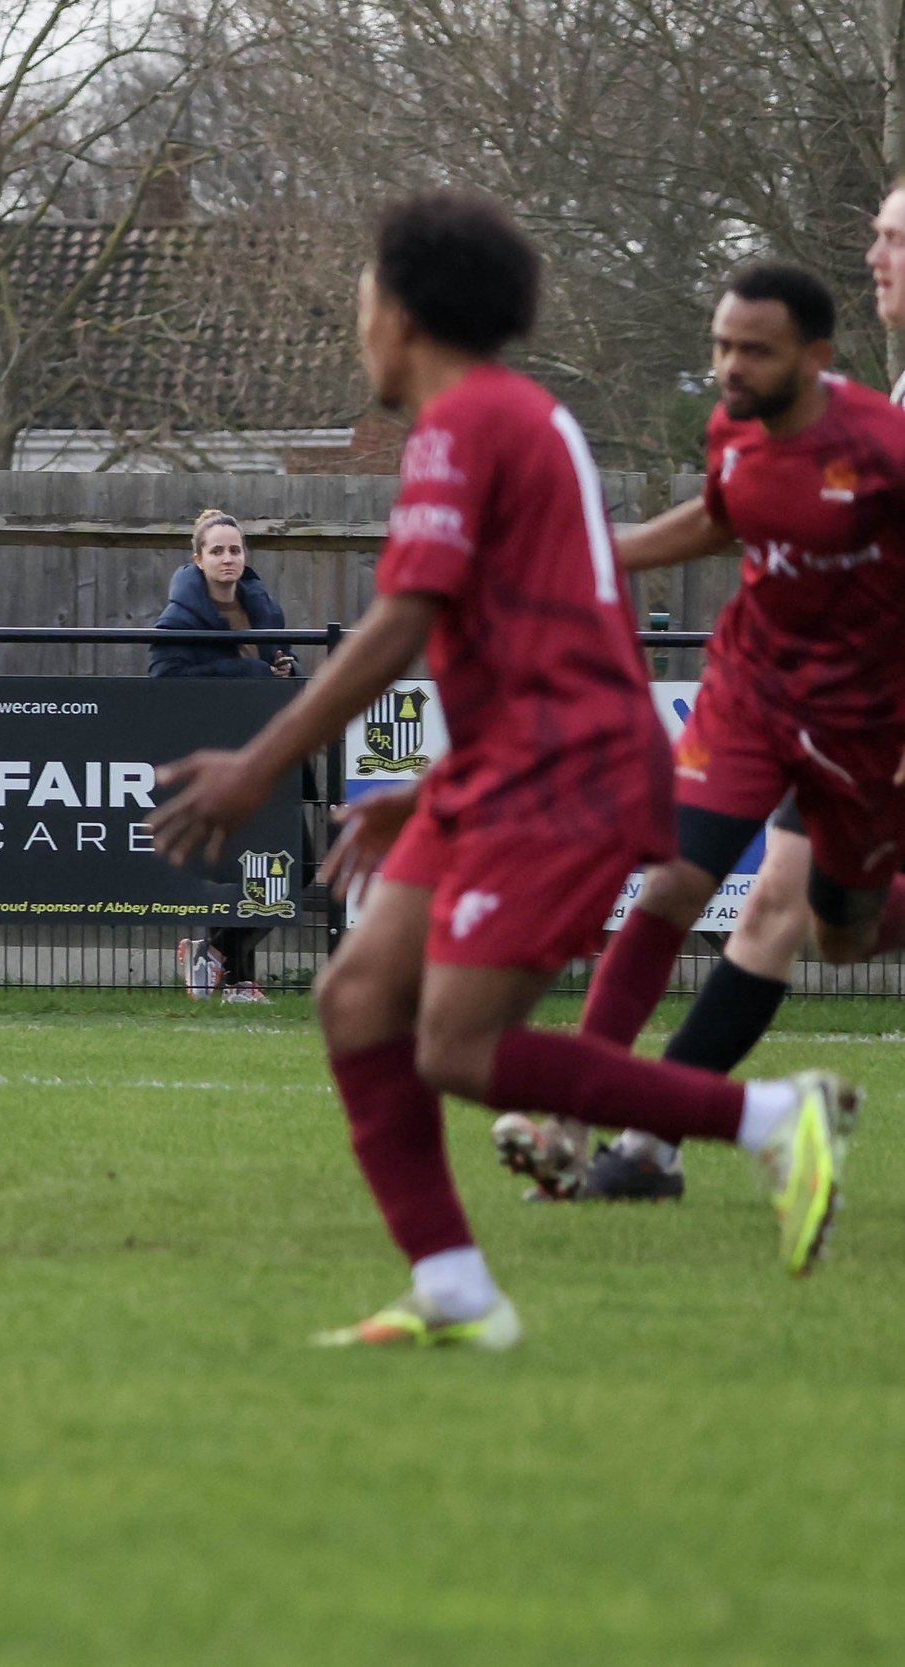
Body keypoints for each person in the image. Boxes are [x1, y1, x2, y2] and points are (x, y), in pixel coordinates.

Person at [150, 190, 856, 1351]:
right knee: (356, 997)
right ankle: (454, 1290)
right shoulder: (511, 418)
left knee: (457, 1047)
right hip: (513, 761)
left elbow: (403, 619)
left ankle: (771, 1117)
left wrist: (257, 764)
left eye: (363, 298)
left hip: (564, 772)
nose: (357, 323)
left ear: (402, 313)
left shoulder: (467, 423)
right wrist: (430, 788)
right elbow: (530, 637)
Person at [502, 216, 905, 1204]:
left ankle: (645, 1139)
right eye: (721, 345)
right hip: (752, 697)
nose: (729, 366)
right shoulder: (737, 422)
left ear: (811, 356)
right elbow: (726, 516)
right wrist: (594, 555)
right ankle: (587, 1123)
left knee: (840, 935)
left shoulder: (880, 444)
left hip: (861, 726)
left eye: (897, 237)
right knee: (674, 882)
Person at [154, 508, 298, 1002]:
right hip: (217, 760)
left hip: (271, 755)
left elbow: (282, 668)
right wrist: (252, 675)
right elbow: (164, 681)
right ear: (198, 559)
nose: (227, 558)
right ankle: (236, 978)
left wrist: (286, 669)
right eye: (216, 550)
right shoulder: (179, 619)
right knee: (239, 868)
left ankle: (214, 954)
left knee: (292, 866)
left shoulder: (266, 611)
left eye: (235, 549)